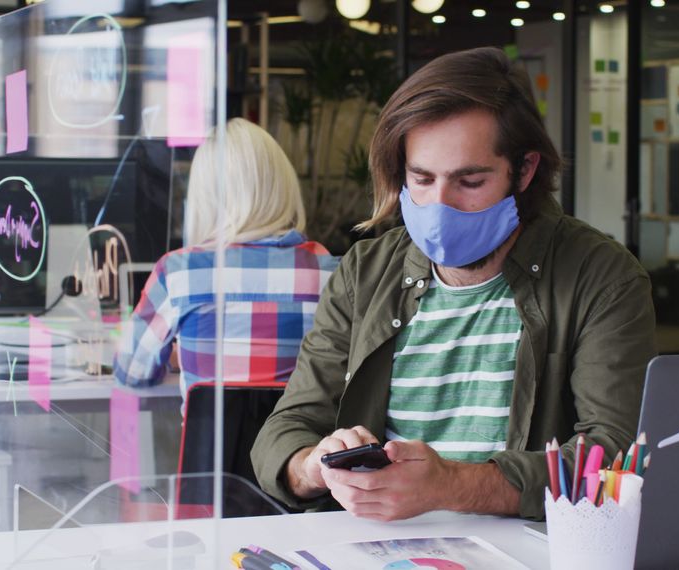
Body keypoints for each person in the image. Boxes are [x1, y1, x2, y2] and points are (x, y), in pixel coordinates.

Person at [250, 47, 656, 521]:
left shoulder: (602, 277)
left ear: (523, 171)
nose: (438, 209)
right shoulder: (365, 272)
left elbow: (613, 456)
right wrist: (316, 466)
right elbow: (288, 428)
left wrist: (453, 485)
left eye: (470, 182)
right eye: (421, 179)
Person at [113, 118, 339, 398]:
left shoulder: (179, 272)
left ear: (204, 195)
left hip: (210, 443)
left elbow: (131, 372)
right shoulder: (329, 272)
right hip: (302, 442)